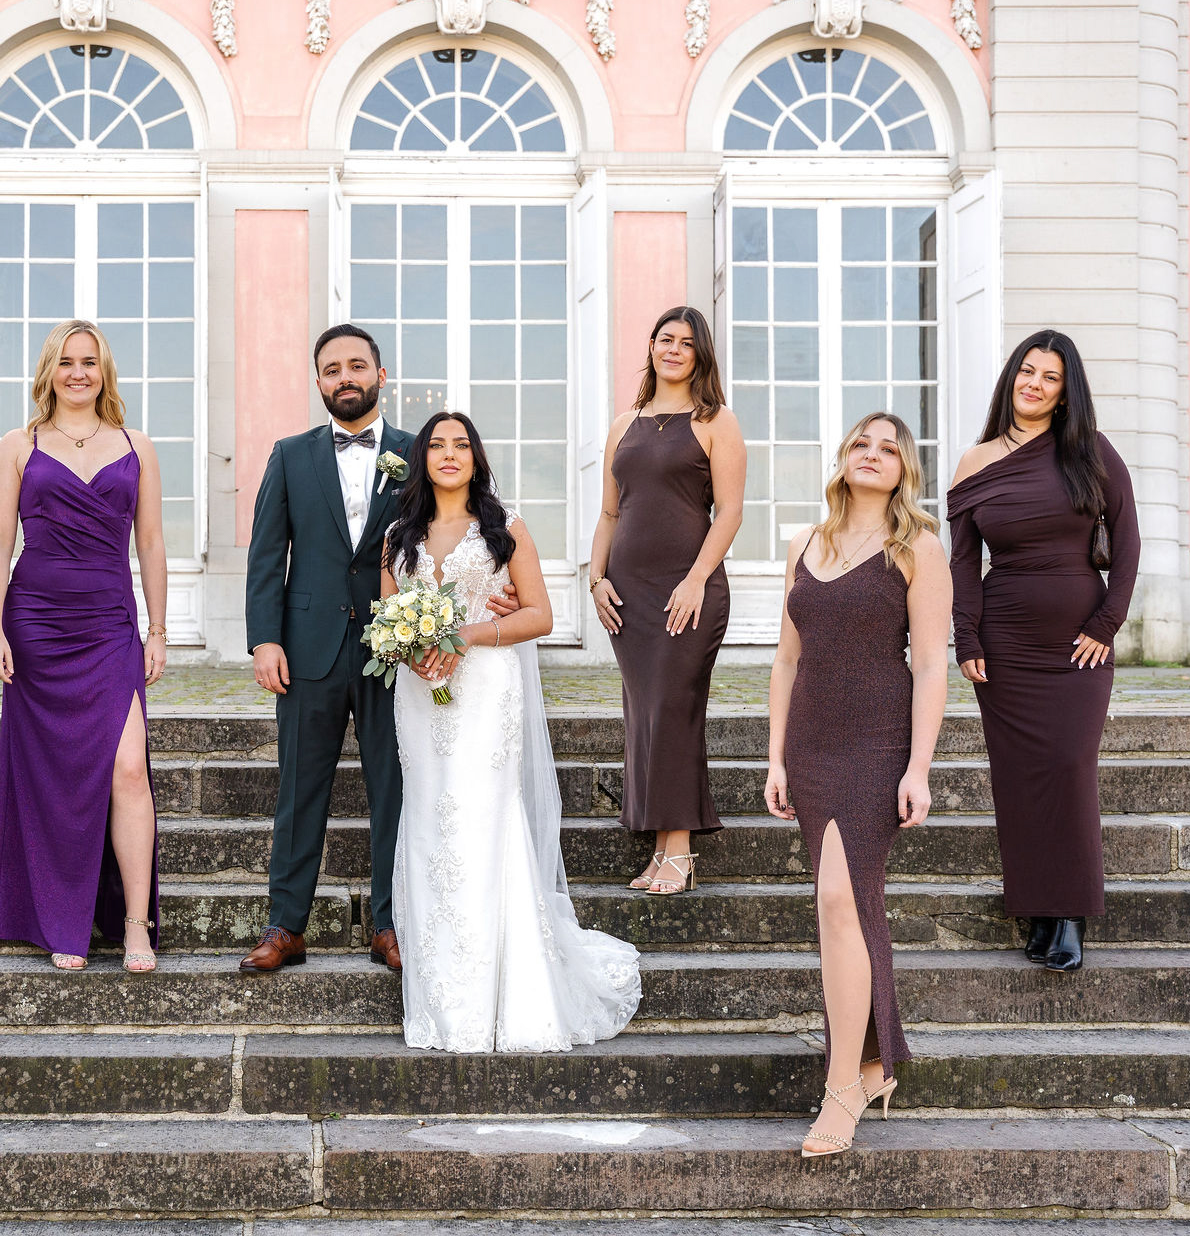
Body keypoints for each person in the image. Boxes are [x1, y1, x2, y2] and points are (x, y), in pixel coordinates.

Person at [242, 324, 518, 975]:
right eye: (332, 368)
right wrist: (264, 638)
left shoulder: (417, 451)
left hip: (397, 651)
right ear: (318, 381)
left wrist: (491, 594)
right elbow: (266, 555)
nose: (345, 377)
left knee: (395, 788)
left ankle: (390, 923)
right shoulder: (289, 455)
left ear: (380, 375)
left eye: (357, 365)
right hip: (306, 650)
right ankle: (286, 925)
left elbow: (461, 524)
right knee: (299, 789)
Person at [386, 412, 641, 1051]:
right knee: (429, 824)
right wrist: (409, 650)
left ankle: (503, 996)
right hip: (421, 696)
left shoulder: (504, 527)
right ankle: (442, 999)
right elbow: (385, 615)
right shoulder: (397, 536)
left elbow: (542, 616)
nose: (449, 454)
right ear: (422, 459)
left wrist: (469, 634)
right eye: (436, 445)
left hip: (486, 690)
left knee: (482, 822)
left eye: (461, 444)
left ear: (476, 457)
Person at [764, 412, 950, 1158]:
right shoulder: (804, 545)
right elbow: (786, 659)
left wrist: (919, 767)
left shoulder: (918, 547)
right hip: (811, 742)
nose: (871, 455)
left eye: (888, 448)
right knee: (847, 904)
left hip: (878, 740)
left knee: (841, 899)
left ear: (905, 470)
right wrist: (775, 758)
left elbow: (931, 664)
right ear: (842, 458)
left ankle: (843, 1084)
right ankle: (875, 1065)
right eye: (860, 444)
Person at [948, 330, 1140, 973]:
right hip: (1004, 643)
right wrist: (967, 635)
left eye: (1050, 377)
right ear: (1011, 377)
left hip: (1078, 644)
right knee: (1019, 777)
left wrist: (1107, 623)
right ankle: (1037, 907)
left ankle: (1070, 913)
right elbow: (962, 562)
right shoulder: (975, 462)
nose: (1034, 384)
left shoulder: (1090, 451)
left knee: (1067, 764)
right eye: (1027, 371)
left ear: (1065, 392)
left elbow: (1129, 542)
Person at [0, 320, 167, 973]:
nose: (78, 372)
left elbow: (151, 542)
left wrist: (158, 629)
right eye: (66, 361)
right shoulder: (19, 445)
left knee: (128, 768)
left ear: (104, 370)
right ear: (49, 371)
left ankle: (136, 923)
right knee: (53, 775)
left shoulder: (137, 446)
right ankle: (62, 917)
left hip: (110, 624)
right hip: (36, 624)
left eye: (89, 361)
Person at [591, 307, 744, 895]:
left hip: (689, 591)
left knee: (673, 707)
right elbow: (610, 513)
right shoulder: (623, 423)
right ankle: (659, 848)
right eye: (665, 339)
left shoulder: (716, 420)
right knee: (645, 712)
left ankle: (679, 850)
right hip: (627, 594)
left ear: (700, 354)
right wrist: (596, 579)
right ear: (651, 346)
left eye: (686, 342)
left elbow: (729, 512)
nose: (673, 349)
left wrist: (696, 578)